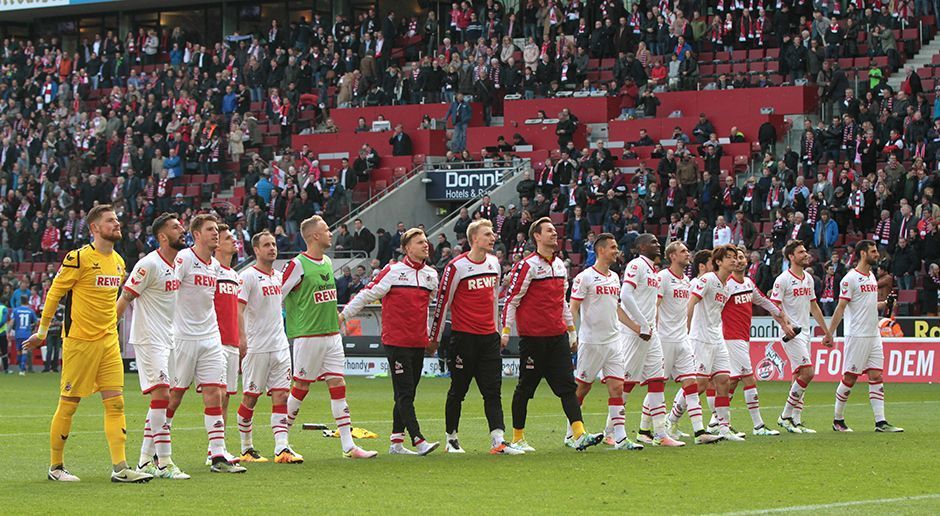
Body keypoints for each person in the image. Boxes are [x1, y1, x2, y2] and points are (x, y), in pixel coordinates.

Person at [23, 205, 153, 482]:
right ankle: (56, 467)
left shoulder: (118, 262)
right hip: (80, 342)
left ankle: (120, 468)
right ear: (94, 228)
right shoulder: (78, 258)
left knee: (116, 404)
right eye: (110, 220)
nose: (117, 224)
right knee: (69, 403)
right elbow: (55, 293)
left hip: (108, 343)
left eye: (117, 219)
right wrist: (43, 331)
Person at [501, 217, 603, 452]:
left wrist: (571, 332)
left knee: (568, 387)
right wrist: (506, 331)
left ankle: (579, 434)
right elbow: (511, 300)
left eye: (554, 230)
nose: (554, 234)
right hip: (533, 339)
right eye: (548, 231)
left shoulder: (559, 266)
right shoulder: (527, 266)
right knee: (525, 388)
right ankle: (518, 438)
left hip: (557, 337)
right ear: (537, 236)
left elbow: (563, 304)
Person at [278, 218, 376, 460]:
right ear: (313, 236)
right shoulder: (297, 265)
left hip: (331, 334)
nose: (330, 233)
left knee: (338, 386)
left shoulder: (327, 261)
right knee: (301, 387)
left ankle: (348, 445)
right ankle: (282, 442)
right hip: (307, 336)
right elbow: (276, 295)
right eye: (325, 230)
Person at [341, 227, 440, 455]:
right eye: (419, 242)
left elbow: (430, 309)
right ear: (407, 248)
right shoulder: (393, 271)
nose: (425, 245)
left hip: (418, 342)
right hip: (396, 341)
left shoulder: (431, 276)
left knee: (407, 392)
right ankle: (418, 439)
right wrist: (344, 314)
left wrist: (430, 336)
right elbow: (367, 293)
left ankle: (396, 442)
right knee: (405, 392)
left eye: (426, 241)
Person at [430, 219, 522, 455]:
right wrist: (435, 338)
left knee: (493, 390)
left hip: (488, 338)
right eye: (487, 234)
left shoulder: (494, 263)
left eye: (492, 234)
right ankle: (451, 437)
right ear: (474, 239)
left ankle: (498, 439)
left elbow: (494, 300)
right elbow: (443, 302)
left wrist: (499, 329)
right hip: (464, 338)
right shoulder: (456, 267)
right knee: (458, 390)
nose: (492, 238)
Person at [165, 214, 246, 474]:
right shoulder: (184, 259)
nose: (215, 233)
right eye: (210, 229)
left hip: (210, 337)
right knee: (174, 396)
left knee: (215, 393)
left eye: (216, 229)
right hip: (184, 337)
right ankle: (157, 446)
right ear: (196, 235)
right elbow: (169, 291)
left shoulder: (214, 266)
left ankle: (218, 455)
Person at [115, 212, 190, 479]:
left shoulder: (177, 263)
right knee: (161, 397)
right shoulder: (148, 264)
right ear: (162, 236)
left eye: (181, 226)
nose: (182, 230)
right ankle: (164, 462)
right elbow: (125, 298)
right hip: (149, 338)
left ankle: (145, 461)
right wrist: (110, 331)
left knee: (163, 400)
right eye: (175, 227)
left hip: (168, 339)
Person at [569, 233, 644, 451]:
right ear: (601, 250)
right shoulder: (585, 277)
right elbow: (573, 307)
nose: (616, 251)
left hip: (613, 342)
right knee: (582, 389)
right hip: (591, 342)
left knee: (617, 388)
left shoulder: (613, 277)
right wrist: (571, 333)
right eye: (612, 247)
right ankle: (572, 432)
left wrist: (635, 327)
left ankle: (620, 438)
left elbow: (616, 308)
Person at [827, 240, 904, 433]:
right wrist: (830, 332)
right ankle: (838, 420)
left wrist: (885, 303)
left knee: (876, 375)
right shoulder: (850, 279)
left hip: (873, 334)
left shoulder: (870, 276)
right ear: (863, 253)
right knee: (850, 377)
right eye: (873, 251)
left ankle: (881, 422)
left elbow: (868, 304)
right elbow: (841, 307)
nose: (877, 254)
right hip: (858, 335)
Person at [617, 234, 684, 447]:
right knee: (626, 383)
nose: (657, 245)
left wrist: (651, 324)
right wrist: (641, 324)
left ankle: (660, 434)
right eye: (653, 242)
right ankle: (610, 430)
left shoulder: (654, 271)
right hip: (635, 333)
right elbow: (625, 295)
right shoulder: (636, 265)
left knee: (657, 380)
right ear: (640, 247)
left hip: (651, 332)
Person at [716, 246, 790, 437]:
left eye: (742, 257)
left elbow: (763, 301)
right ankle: (758, 425)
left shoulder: (748, 283)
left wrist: (782, 316)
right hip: (731, 338)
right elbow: (715, 310)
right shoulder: (727, 285)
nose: (739, 261)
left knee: (732, 382)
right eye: (735, 258)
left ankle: (714, 422)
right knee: (749, 378)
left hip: (742, 338)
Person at [660, 244, 722, 445]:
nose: (688, 254)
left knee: (694, 384)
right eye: (683, 251)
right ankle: (650, 428)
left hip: (686, 340)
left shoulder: (686, 281)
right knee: (656, 385)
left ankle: (701, 431)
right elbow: (656, 305)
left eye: (688, 252)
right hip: (676, 339)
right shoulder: (666, 278)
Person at [771, 240, 834, 434]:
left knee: (799, 375)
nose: (805, 254)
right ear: (791, 257)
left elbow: (814, 306)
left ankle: (795, 420)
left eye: (805, 251)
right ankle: (785, 416)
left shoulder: (808, 278)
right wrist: (786, 325)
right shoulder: (782, 280)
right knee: (808, 372)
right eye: (801, 252)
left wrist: (827, 330)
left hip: (805, 333)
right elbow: (774, 307)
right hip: (792, 334)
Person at [685, 244, 744, 442]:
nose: (735, 260)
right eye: (730, 257)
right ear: (718, 262)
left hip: (716, 338)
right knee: (699, 384)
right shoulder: (708, 279)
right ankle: (671, 419)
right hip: (700, 338)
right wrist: (686, 328)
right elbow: (692, 302)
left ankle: (724, 428)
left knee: (724, 381)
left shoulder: (727, 287)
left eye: (736, 257)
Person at [13, 296, 37, 375]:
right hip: (27, 334)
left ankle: (21, 367)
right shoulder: (31, 311)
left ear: (20, 301)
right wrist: (34, 330)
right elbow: (36, 323)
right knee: (24, 351)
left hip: (18, 334)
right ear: (27, 301)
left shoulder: (16, 310)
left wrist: (9, 331)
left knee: (19, 351)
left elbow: (12, 321)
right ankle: (22, 369)